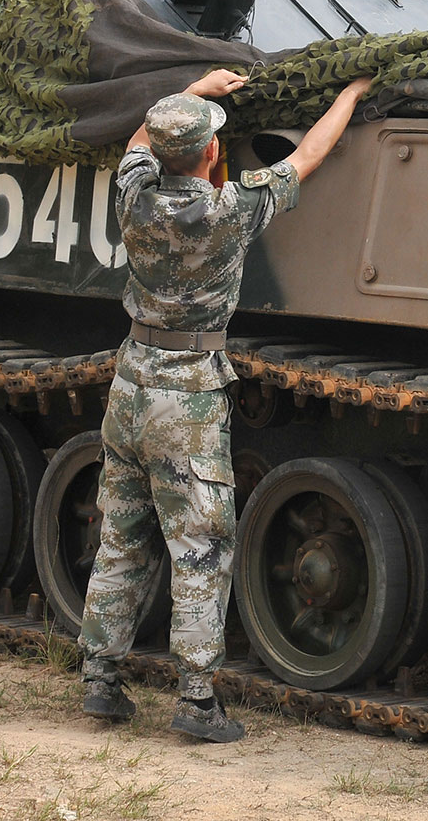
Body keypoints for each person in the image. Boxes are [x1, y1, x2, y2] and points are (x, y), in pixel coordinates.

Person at [77, 71, 374, 743]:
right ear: (212, 155)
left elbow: (135, 143)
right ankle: (196, 699)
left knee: (122, 537)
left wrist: (192, 90)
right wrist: (350, 96)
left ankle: (101, 677)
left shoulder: (135, 200)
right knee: (201, 549)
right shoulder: (229, 211)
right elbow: (309, 157)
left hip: (130, 384)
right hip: (187, 395)